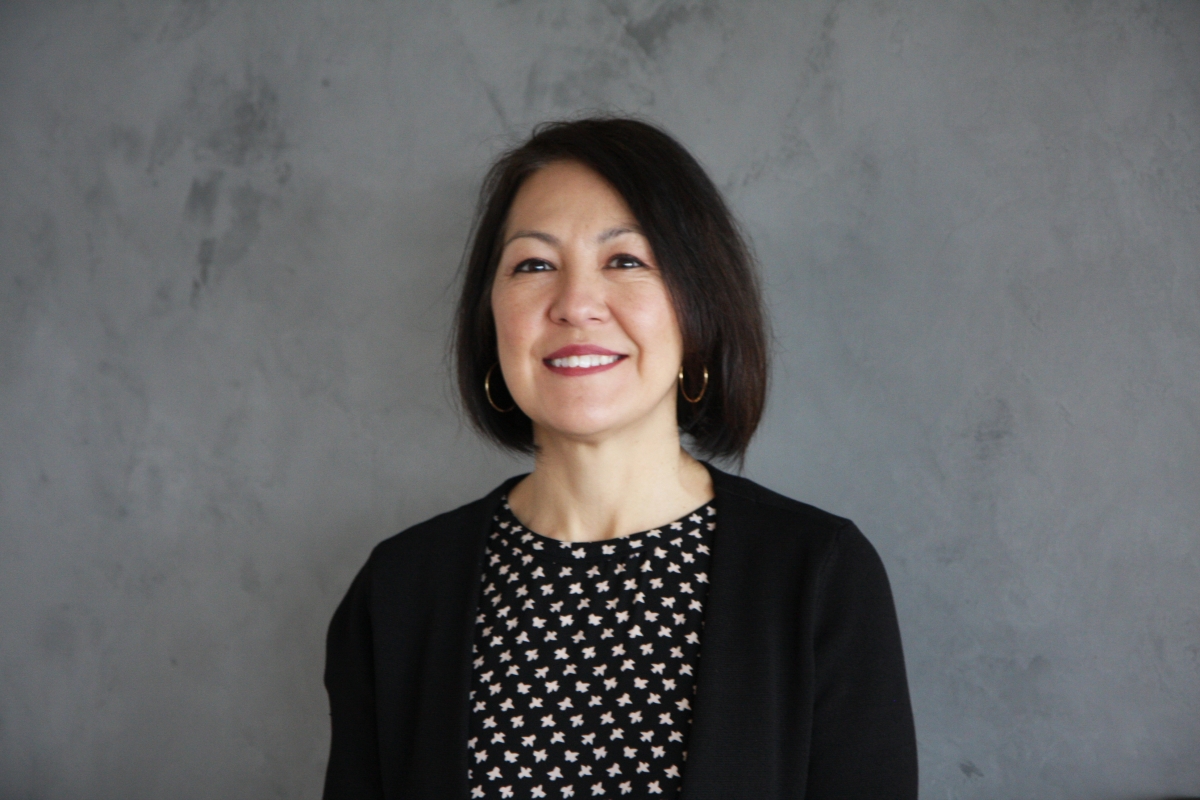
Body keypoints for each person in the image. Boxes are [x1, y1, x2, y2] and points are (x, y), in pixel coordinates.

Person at [321, 118, 917, 799]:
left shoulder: (817, 578)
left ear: (698, 305)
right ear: (491, 318)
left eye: (626, 261)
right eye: (533, 265)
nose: (575, 305)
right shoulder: (399, 590)